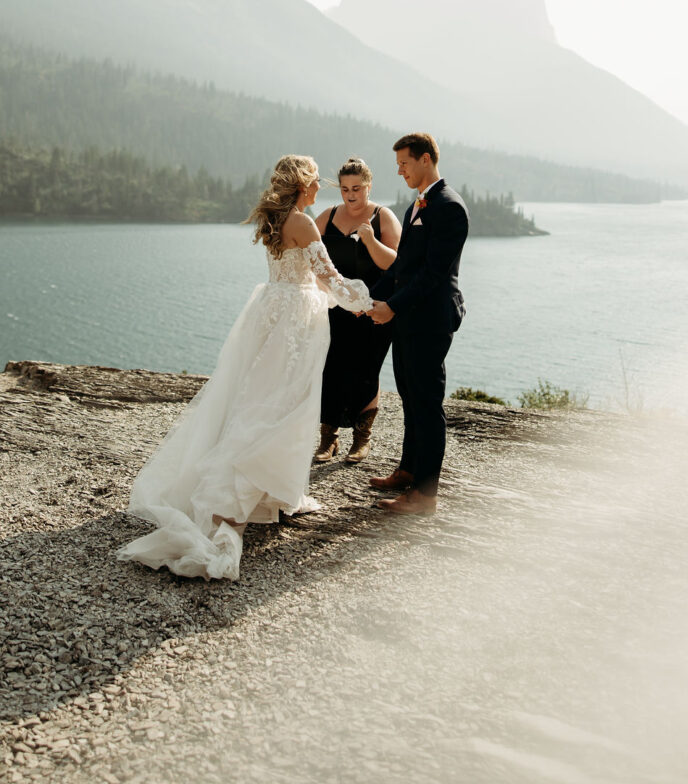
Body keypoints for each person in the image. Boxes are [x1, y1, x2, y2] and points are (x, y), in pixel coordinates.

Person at [117, 155, 372, 580]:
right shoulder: (304, 223)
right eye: (316, 182)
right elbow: (330, 279)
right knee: (284, 402)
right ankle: (248, 491)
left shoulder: (274, 219)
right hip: (295, 320)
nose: (320, 188)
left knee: (258, 395)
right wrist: (368, 304)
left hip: (271, 309)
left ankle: (273, 490)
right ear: (302, 185)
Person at [369, 133, 469, 515]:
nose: (400, 171)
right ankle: (408, 470)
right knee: (410, 398)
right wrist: (368, 296)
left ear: (425, 159)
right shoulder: (419, 204)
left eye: (404, 163)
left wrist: (391, 306)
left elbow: (432, 274)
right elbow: (401, 267)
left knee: (427, 405)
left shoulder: (450, 207)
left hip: (430, 319)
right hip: (408, 318)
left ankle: (425, 495)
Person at [313, 158, 402, 463]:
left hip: (372, 310)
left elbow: (395, 265)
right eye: (344, 189)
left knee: (366, 372)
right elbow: (307, 253)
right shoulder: (328, 216)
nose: (350, 195)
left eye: (356, 188)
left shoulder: (382, 216)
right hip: (335, 309)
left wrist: (370, 239)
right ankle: (329, 438)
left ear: (368, 186)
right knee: (330, 369)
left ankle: (361, 441)